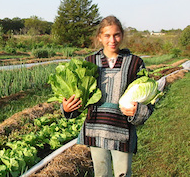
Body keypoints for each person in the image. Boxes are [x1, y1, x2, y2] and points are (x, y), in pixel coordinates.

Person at [61, 15, 154, 177]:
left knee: (123, 173)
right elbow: (77, 96)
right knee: (101, 173)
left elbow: (149, 99)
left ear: (122, 35)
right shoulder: (89, 61)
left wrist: (139, 111)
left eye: (116, 35)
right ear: (100, 37)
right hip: (95, 129)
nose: (112, 40)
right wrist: (67, 108)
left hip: (123, 129)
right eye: (107, 35)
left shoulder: (135, 63)